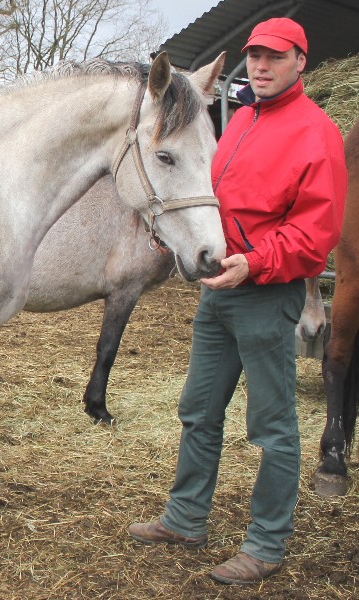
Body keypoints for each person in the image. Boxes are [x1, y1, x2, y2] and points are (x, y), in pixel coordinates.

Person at [128, 17, 347, 585]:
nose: (261, 66)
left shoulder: (316, 132)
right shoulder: (241, 118)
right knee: (198, 410)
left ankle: (267, 544)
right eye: (255, 55)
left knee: (272, 426)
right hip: (219, 292)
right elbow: (213, 200)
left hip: (266, 294)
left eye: (275, 56)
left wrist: (255, 261)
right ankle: (185, 518)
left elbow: (315, 235)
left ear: (301, 61)